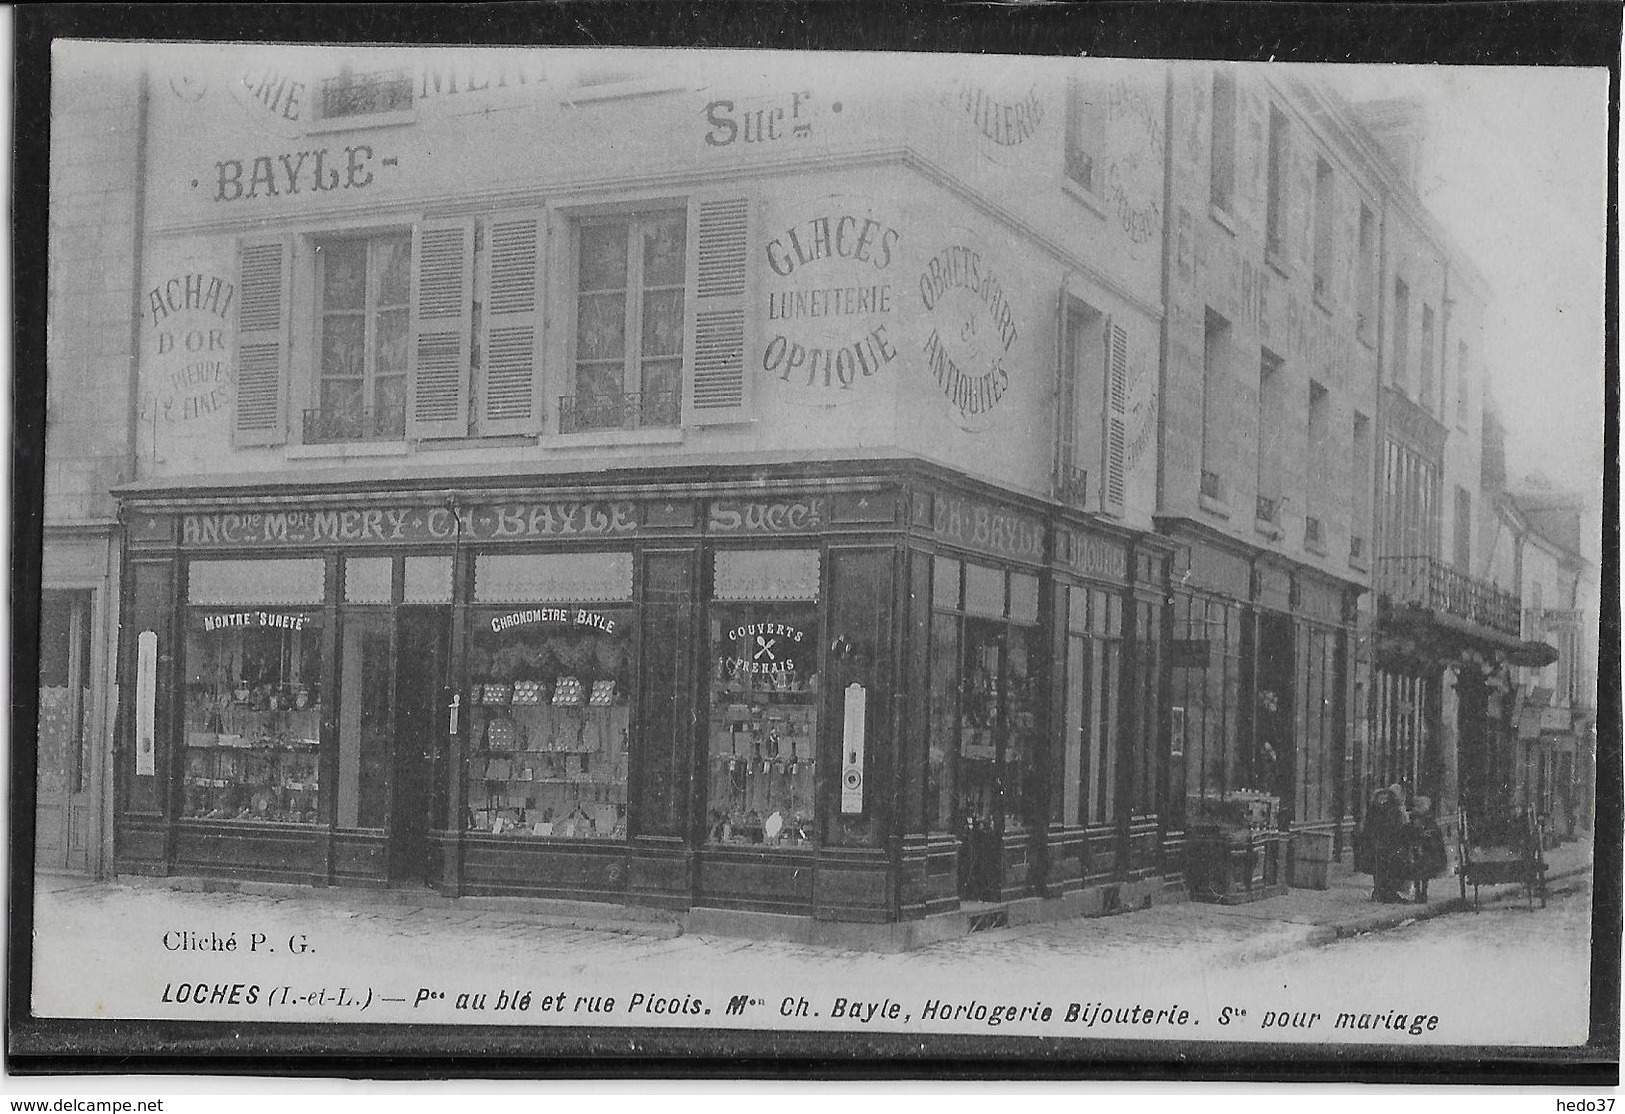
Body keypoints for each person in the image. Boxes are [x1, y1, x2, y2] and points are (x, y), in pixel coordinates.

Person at [1362, 785, 1410, 903]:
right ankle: (1383, 893)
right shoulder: (1384, 809)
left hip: (1385, 842)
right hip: (1382, 842)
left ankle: (1383, 892)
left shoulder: (1389, 808)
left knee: (1385, 869)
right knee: (1383, 869)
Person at [1404, 794, 1447, 903]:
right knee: (1420, 873)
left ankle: (1421, 892)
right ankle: (1420, 892)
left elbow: (1435, 834)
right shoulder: (1415, 819)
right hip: (1419, 850)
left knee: (1422, 873)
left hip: (1424, 850)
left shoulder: (1425, 819)